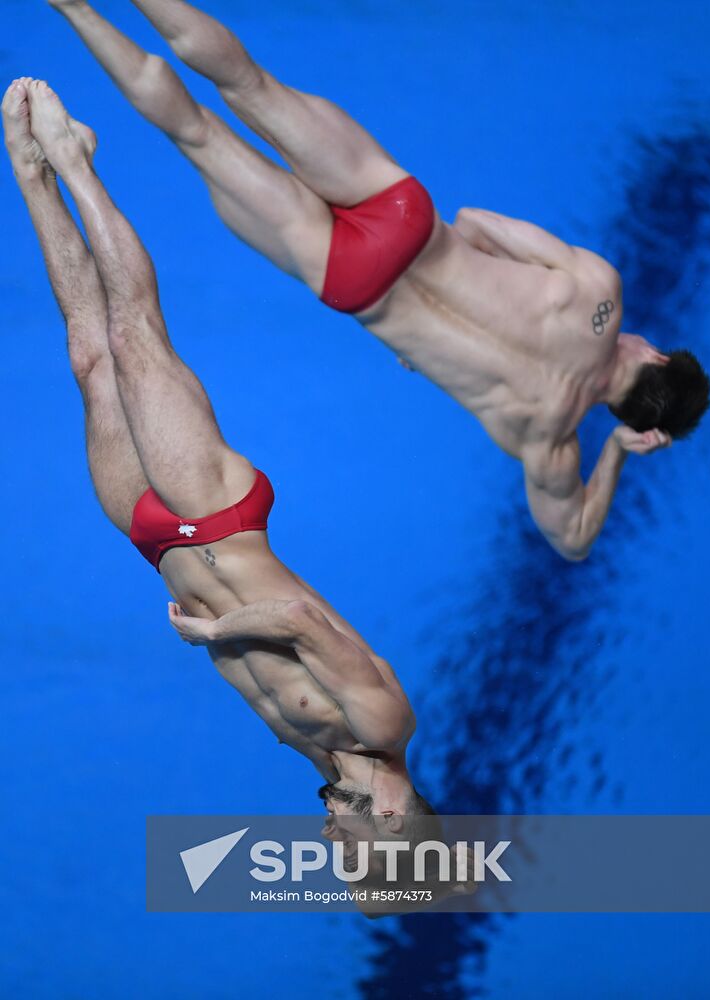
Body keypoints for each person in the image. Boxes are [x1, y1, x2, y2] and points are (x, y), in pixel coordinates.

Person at [47, 0, 710, 561]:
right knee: (194, 133)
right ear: (637, 420)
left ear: (654, 353)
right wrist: (623, 454)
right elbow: (570, 541)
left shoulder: (597, 289)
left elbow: (475, 220)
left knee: (250, 83)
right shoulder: (545, 439)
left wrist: (465, 258)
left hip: (402, 216)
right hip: (357, 283)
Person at [3, 77, 433, 846]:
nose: (333, 847)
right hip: (216, 513)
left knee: (89, 357)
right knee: (136, 336)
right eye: (356, 856)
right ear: (394, 821)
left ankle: (30, 175)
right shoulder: (383, 720)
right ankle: (74, 163)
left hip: (158, 542)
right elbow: (300, 620)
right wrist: (212, 634)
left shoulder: (320, 757)